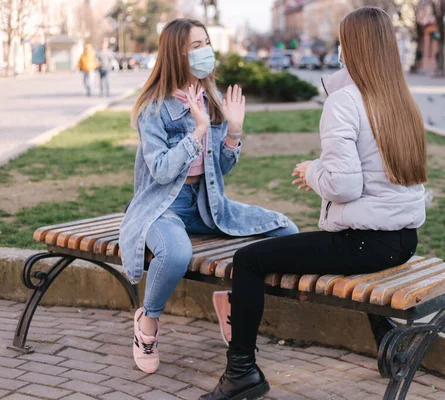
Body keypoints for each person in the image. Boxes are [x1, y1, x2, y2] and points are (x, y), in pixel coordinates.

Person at [203, 7, 427, 400]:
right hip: (404, 240)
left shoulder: (345, 102)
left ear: (352, 48)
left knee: (249, 261)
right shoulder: (401, 99)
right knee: (311, 250)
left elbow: (344, 187)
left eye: (343, 41)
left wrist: (312, 173)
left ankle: (241, 373)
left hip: (366, 242)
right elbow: (373, 170)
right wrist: (324, 168)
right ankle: (388, 337)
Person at [118, 18, 299, 375]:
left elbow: (220, 169)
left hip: (206, 205)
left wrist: (233, 132)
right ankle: (147, 322)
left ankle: (231, 299)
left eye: (206, 42)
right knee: (175, 253)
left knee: (285, 230)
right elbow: (162, 171)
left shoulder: (210, 99)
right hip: (162, 207)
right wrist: (197, 130)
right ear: (176, 54)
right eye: (195, 46)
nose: (205, 52)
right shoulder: (154, 109)